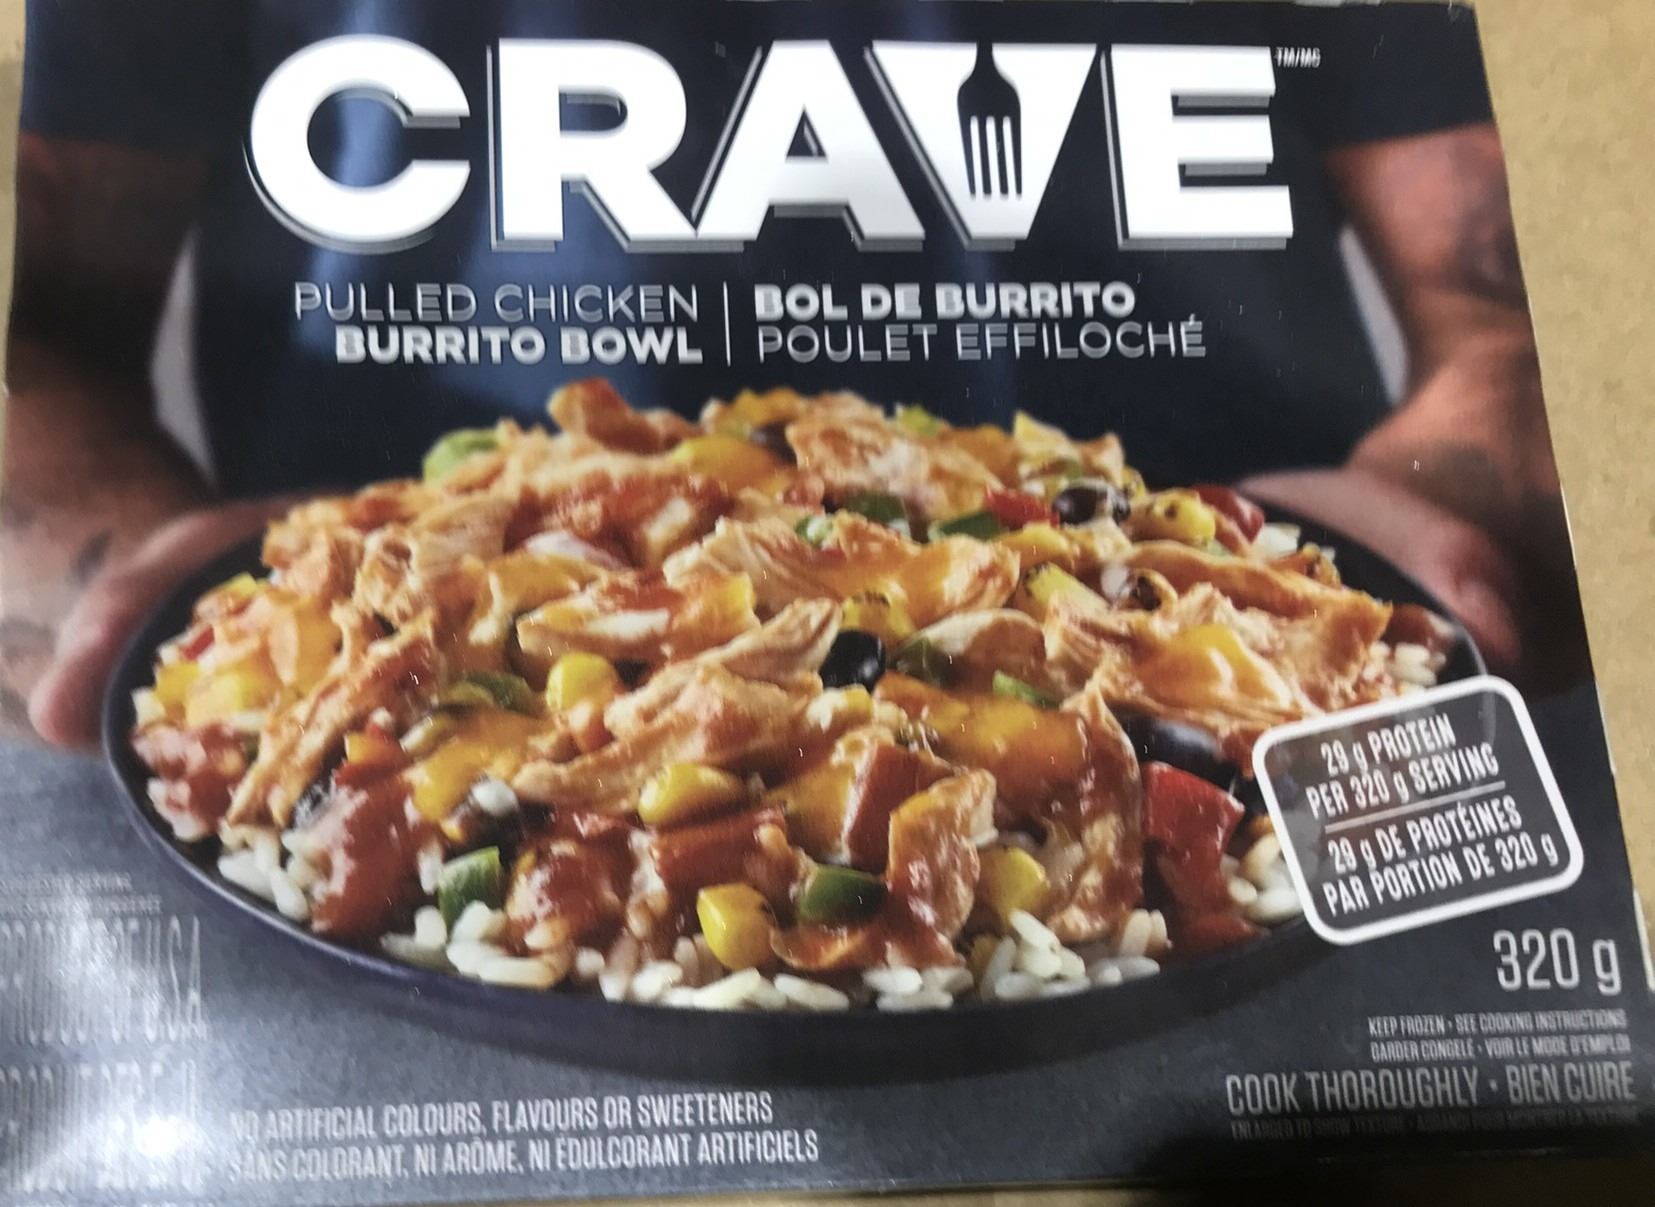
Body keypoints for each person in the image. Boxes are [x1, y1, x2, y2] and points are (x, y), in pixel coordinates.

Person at [1, 0, 1580, 748]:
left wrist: (1412, 527)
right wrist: (158, 588)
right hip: (406, 730)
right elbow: (40, 334)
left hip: (1231, 725)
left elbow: (1514, 314)